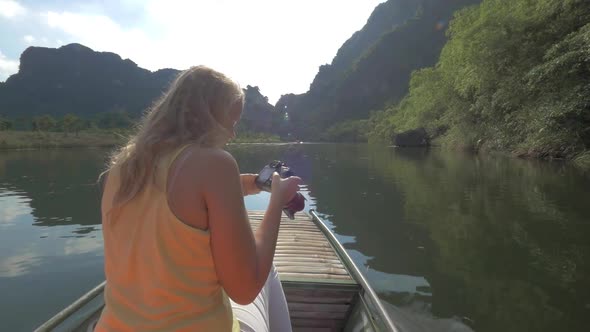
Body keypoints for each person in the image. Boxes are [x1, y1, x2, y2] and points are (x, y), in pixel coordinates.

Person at [94, 66, 300, 331]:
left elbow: (175, 196)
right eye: (232, 123)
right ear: (211, 118)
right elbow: (245, 289)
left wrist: (252, 184)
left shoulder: (124, 164)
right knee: (267, 272)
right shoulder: (215, 163)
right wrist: (277, 202)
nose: (232, 134)